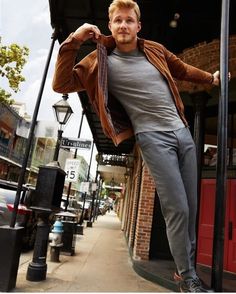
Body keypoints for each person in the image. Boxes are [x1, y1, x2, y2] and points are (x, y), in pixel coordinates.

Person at [52, 0, 221, 292]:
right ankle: (187, 275)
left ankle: (186, 272)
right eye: (117, 21)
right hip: (153, 138)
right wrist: (74, 40)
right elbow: (61, 84)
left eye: (129, 20)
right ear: (110, 25)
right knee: (177, 208)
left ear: (138, 25)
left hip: (183, 133)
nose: (123, 25)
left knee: (191, 207)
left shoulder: (154, 49)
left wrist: (211, 78)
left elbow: (181, 70)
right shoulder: (99, 60)